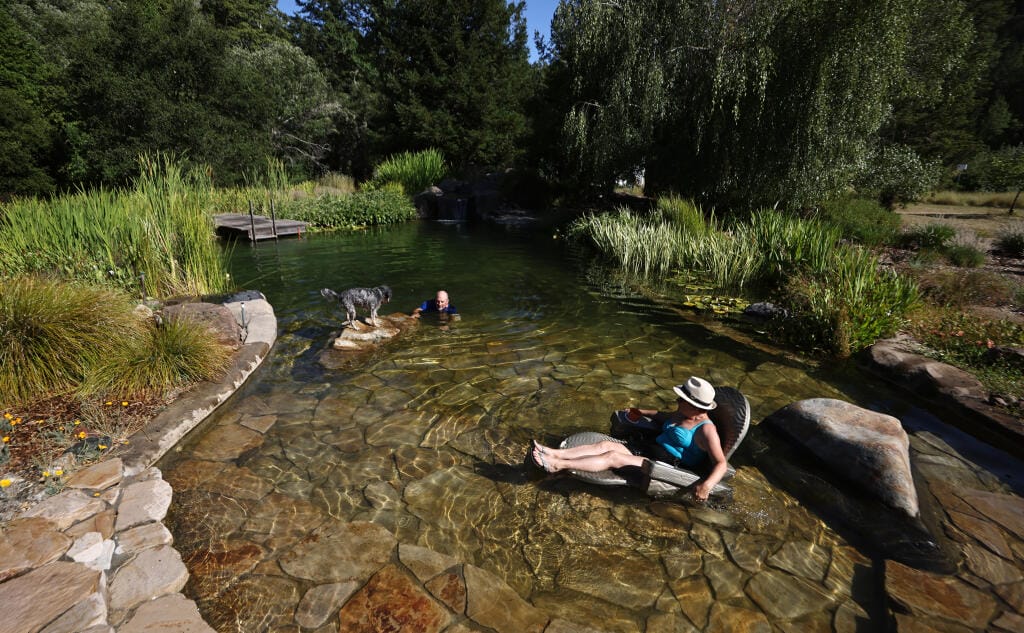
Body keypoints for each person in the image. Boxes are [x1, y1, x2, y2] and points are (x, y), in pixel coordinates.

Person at [532, 376, 729, 502]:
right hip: (650, 449)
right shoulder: (682, 413)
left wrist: (707, 486)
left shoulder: (707, 431)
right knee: (606, 444)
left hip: (667, 463)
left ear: (695, 406)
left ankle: (559, 465)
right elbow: (663, 416)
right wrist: (641, 412)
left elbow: (721, 463)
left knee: (612, 456)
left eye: (681, 399)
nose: (677, 401)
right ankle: (554, 452)